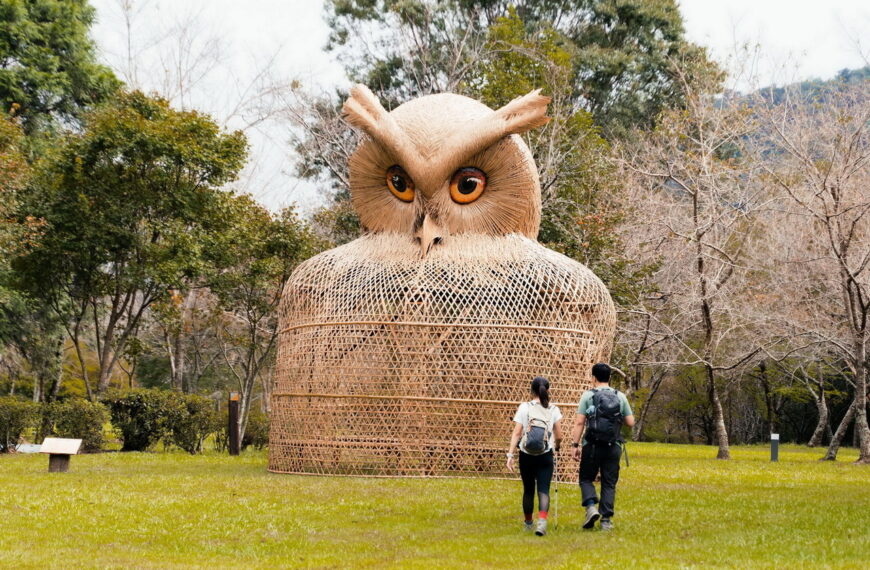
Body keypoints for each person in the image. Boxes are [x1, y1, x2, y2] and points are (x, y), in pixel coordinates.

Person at [570, 363, 634, 531]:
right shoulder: (619, 396)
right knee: (609, 482)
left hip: (591, 445)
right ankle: (606, 520)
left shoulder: (588, 396)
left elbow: (579, 422)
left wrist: (575, 445)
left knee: (585, 478)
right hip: (613, 445)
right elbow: (630, 422)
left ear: (593, 377)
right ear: (610, 377)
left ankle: (591, 507)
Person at [507, 376, 563, 536]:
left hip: (526, 455)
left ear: (531, 390)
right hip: (546, 454)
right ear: (548, 390)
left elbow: (517, 432)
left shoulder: (524, 407)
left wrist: (510, 454)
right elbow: (559, 435)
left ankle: (528, 523)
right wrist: (556, 447)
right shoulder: (553, 409)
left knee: (529, 490)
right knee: (544, 489)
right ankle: (542, 523)